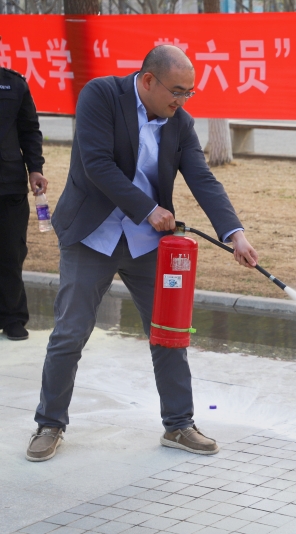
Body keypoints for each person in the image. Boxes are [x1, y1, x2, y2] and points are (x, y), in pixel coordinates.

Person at [26, 45, 258, 462]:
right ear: (148, 80)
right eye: (177, 90)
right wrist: (149, 209)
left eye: (189, 92)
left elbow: (203, 179)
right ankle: (49, 423)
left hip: (146, 245)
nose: (182, 100)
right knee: (70, 332)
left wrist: (235, 234)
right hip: (91, 235)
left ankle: (179, 424)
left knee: (169, 333)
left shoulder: (179, 122)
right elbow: (96, 164)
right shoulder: (101, 95)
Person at [0, 63, 47, 342]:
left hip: (8, 185)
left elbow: (29, 130)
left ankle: (13, 317)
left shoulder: (14, 84)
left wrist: (36, 169)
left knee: (11, 252)